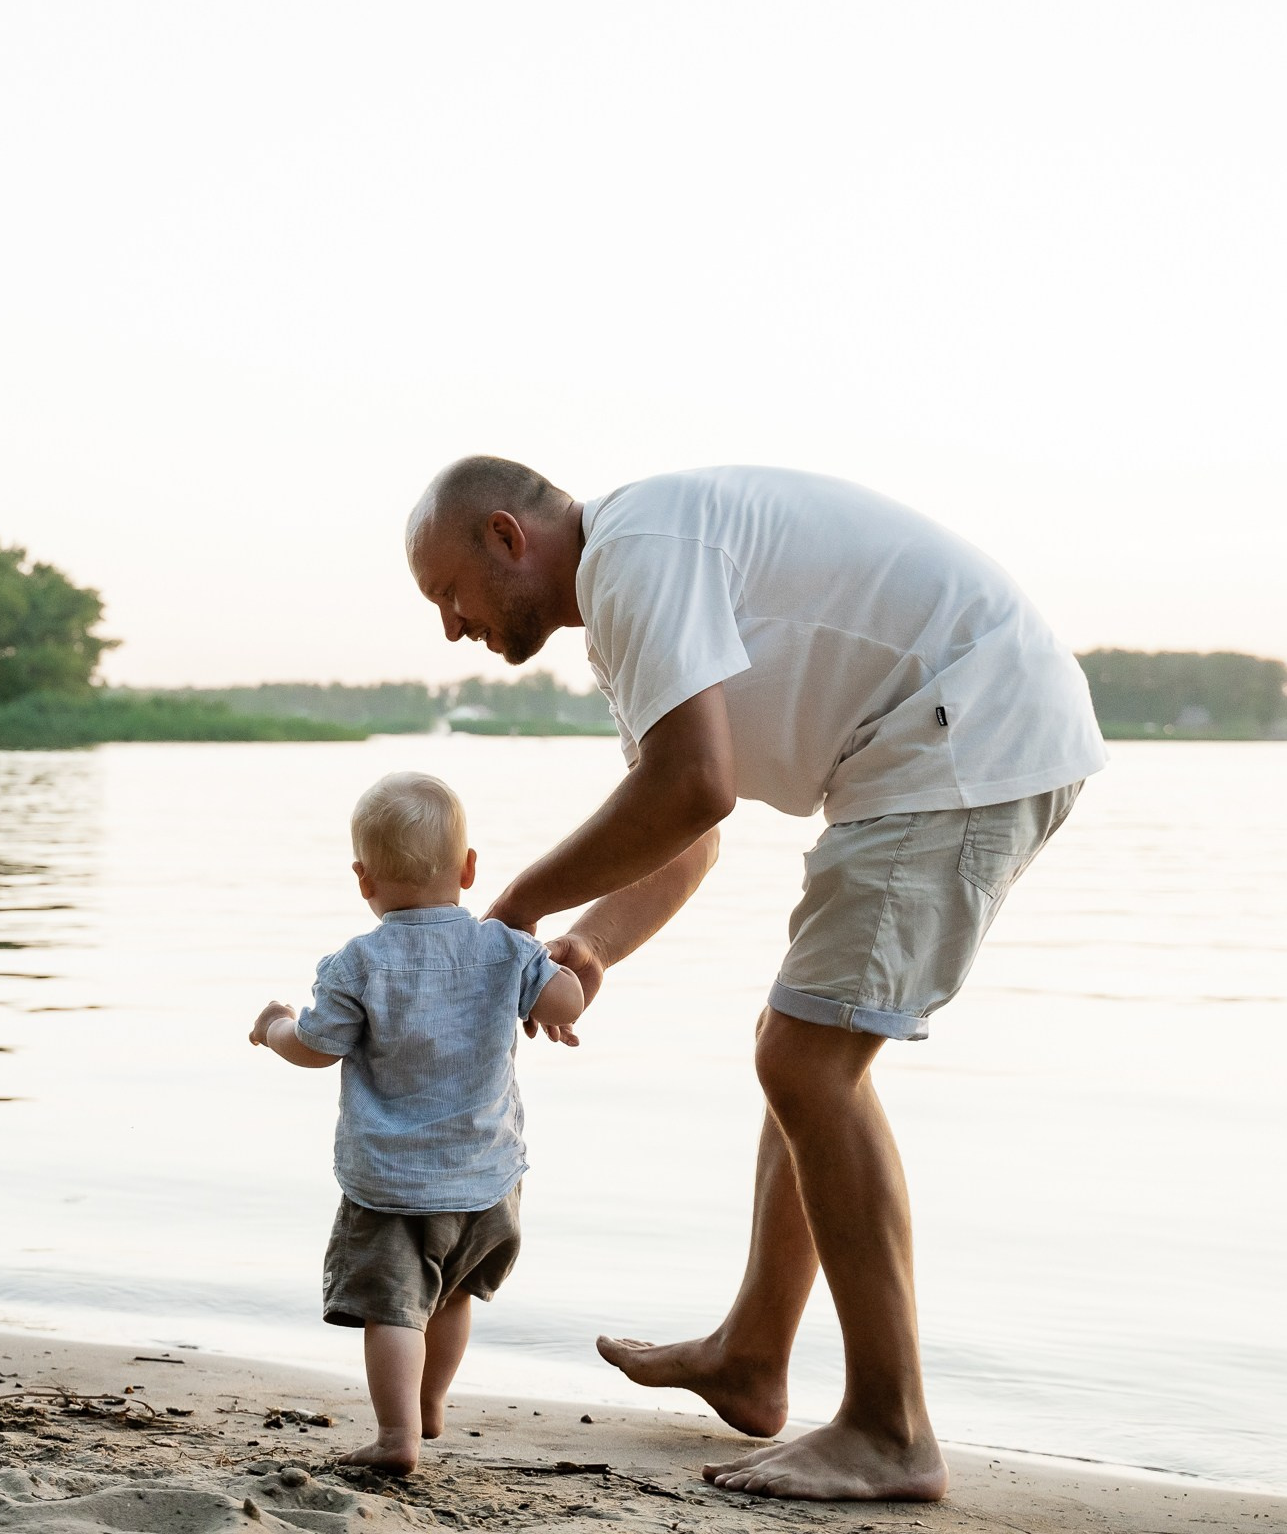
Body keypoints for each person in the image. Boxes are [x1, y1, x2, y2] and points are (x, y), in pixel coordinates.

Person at [403, 458, 1105, 1502]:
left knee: (808, 1060)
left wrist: (513, 910)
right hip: (937, 741)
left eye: (448, 594)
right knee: (806, 1055)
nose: (453, 628)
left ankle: (891, 1429)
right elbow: (686, 828)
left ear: (507, 537)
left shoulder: (639, 552)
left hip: (964, 727)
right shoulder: (630, 588)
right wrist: (590, 950)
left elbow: (694, 787)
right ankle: (754, 1357)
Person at [247, 770, 587, 1475]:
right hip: (486, 1179)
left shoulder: (358, 963)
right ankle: (431, 1406)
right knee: (453, 1295)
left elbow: (314, 1049)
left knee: (394, 1309)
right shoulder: (504, 948)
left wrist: (275, 1025)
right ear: (468, 869)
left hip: (392, 1185)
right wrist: (564, 975)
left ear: (362, 878)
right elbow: (564, 1005)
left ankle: (397, 1433)